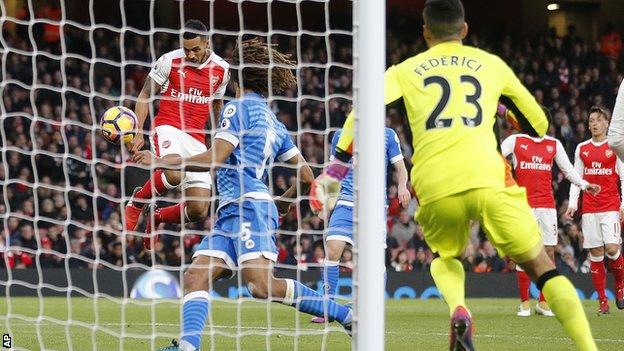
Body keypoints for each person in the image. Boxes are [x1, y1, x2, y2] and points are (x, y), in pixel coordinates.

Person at [312, 0, 596, 349]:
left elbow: (361, 109)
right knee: (542, 266)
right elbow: (538, 123)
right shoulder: (491, 65)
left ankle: (460, 308)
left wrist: (337, 166)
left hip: (436, 182)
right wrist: (501, 109)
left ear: (426, 32)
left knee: (446, 258)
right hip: (489, 176)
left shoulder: (405, 69)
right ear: (464, 29)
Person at [134, 38, 352, 351]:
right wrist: (282, 205)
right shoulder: (274, 121)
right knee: (196, 276)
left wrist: (160, 161)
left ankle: (346, 316)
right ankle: (187, 347)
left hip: (248, 208)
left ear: (236, 75)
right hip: (234, 212)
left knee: (262, 287)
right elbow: (306, 178)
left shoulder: (236, 108)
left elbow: (215, 157)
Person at [125, 20, 230, 249]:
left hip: (196, 139)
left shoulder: (222, 70)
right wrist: (138, 132)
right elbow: (144, 96)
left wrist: (223, 136)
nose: (190, 54)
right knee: (173, 172)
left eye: (196, 49)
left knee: (199, 208)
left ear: (207, 43)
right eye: (186, 49)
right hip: (168, 126)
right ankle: (137, 201)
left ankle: (157, 216)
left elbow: (217, 106)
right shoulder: (168, 61)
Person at [310, 128, 409, 324]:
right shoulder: (342, 135)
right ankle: (327, 305)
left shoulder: (387, 134)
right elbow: (334, 172)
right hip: (346, 201)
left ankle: (371, 306)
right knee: (332, 248)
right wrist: (326, 204)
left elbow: (401, 167)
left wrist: (402, 185)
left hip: (373, 204)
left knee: (373, 260)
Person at [501, 130, 600, 317]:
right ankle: (524, 303)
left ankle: (543, 303)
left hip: (547, 207)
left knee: (548, 253)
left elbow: (568, 170)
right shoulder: (515, 140)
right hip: (524, 207)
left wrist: (584, 184)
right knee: (524, 252)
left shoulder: (553, 144)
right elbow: (496, 156)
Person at [565, 106, 624, 314]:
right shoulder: (582, 148)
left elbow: (623, 176)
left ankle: (619, 285)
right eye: (591, 120)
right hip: (589, 208)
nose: (594, 124)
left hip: (610, 206)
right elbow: (575, 179)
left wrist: (623, 204)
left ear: (607, 123)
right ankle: (602, 301)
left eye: (598, 120)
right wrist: (573, 204)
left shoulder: (615, 146)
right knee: (596, 254)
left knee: (612, 249)